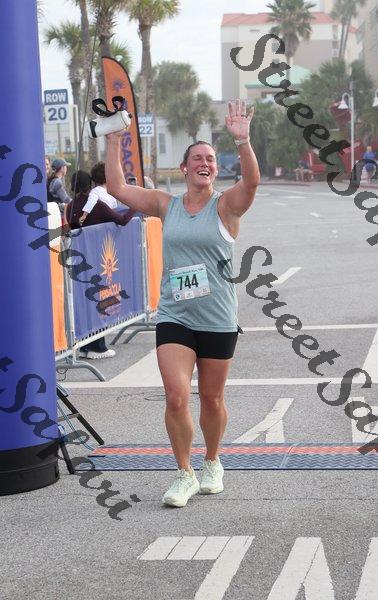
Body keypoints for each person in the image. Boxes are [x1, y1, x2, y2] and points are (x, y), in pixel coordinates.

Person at [106, 99, 260, 507]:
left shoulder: (226, 207)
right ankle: (184, 473)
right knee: (176, 396)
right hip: (175, 315)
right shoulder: (166, 205)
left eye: (210, 159)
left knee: (211, 398)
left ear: (215, 169)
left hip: (217, 317)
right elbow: (118, 188)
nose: (204, 163)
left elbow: (252, 183)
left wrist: (242, 141)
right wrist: (113, 138)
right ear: (184, 169)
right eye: (197, 158)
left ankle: (212, 462)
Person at [66, 170, 135, 359]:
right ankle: (98, 347)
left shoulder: (70, 206)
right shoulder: (96, 204)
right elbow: (122, 220)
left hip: (78, 260)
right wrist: (134, 207)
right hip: (98, 259)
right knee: (99, 300)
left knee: (83, 302)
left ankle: (85, 346)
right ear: (90, 185)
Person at [78, 161, 118, 226]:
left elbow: (91, 202)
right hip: (111, 221)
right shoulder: (111, 191)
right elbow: (115, 206)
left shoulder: (95, 191)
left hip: (102, 222)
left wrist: (84, 215)